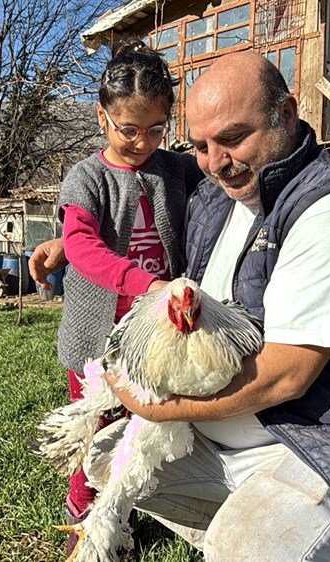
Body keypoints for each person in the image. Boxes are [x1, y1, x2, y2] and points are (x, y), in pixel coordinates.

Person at [31, 51, 330, 561]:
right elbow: (95, 222)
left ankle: (289, 519)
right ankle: (241, 513)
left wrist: (149, 404)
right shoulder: (217, 193)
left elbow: (286, 378)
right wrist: (71, 240)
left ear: (286, 113)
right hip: (213, 427)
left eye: (233, 138)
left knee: (241, 551)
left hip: (317, 442)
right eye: (200, 145)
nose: (216, 161)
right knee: (104, 459)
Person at [52, 37, 204, 554]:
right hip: (98, 335)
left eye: (156, 129)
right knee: (94, 428)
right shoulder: (88, 177)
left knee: (142, 426)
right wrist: (147, 284)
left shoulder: (175, 170)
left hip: (154, 334)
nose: (142, 141)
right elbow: (82, 245)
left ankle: (126, 507)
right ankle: (85, 515)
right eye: (129, 129)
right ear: (102, 117)